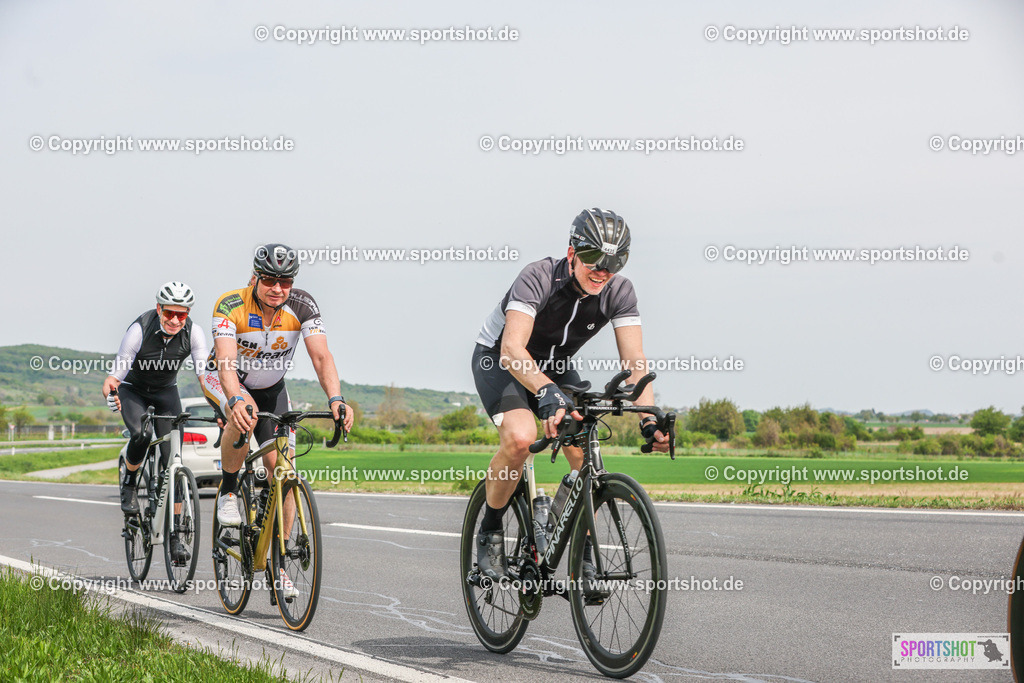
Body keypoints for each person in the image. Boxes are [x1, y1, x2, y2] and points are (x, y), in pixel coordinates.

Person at [472, 208, 670, 582]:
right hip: (500, 360)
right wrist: (545, 390)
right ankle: (491, 528)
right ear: (571, 253)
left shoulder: (620, 292)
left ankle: (581, 552)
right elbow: (512, 349)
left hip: (557, 366)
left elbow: (635, 362)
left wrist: (648, 417)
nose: (603, 270)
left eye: (615, 262)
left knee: (585, 452)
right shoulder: (539, 277)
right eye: (593, 258)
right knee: (521, 438)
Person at [202, 243, 354, 598]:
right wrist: (235, 399)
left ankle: (279, 564)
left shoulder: (303, 306)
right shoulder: (230, 304)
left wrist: (336, 398)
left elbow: (321, 357)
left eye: (285, 281)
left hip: (272, 388)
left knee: (283, 471)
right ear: (255, 277)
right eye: (269, 279)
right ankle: (228, 491)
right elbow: (225, 362)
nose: (277, 288)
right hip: (226, 379)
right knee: (243, 415)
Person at [102, 281, 209, 564]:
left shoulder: (193, 332)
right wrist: (111, 390)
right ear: (159, 308)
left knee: (174, 462)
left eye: (181, 314)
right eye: (169, 313)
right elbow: (116, 374)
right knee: (141, 435)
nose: (175, 320)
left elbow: (205, 376)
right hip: (133, 390)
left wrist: (222, 405)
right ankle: (130, 483)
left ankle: (176, 536)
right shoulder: (140, 329)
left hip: (166, 393)